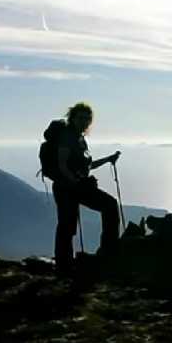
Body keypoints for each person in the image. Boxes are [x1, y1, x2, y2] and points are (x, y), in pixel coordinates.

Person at [47, 102, 121, 272]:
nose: (84, 122)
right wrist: (76, 183)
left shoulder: (80, 139)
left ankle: (67, 263)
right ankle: (65, 265)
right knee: (68, 225)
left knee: (71, 223)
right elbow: (62, 165)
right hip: (67, 188)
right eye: (81, 118)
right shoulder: (67, 137)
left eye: (87, 119)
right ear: (72, 118)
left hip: (74, 186)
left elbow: (86, 166)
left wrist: (108, 159)